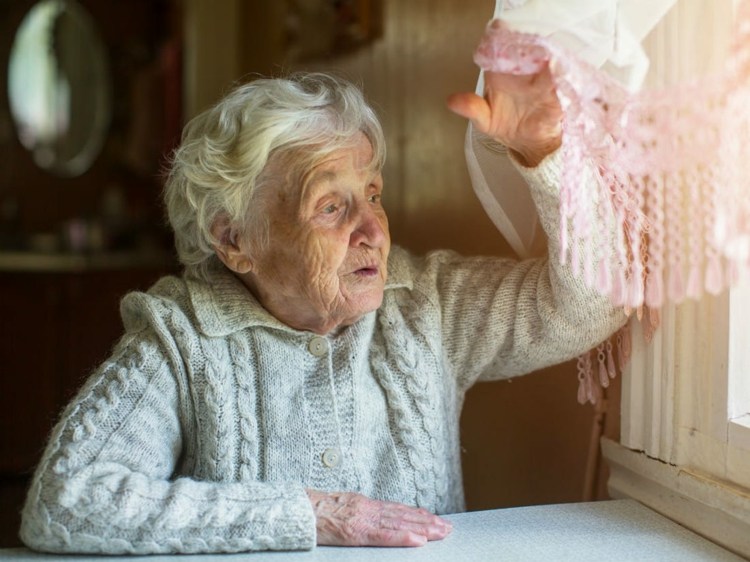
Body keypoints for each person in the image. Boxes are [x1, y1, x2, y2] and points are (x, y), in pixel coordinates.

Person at [19, 67, 625, 554]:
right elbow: (67, 498)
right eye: (330, 207)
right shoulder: (183, 335)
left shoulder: (424, 305)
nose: (373, 231)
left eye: (373, 195)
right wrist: (313, 513)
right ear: (235, 241)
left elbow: (594, 305)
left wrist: (547, 156)